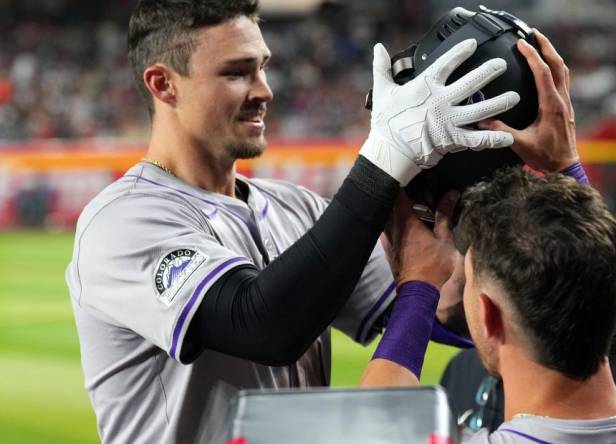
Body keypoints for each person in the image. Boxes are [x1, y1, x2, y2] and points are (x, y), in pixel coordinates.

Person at [65, 0, 521, 442]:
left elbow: (446, 311)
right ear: (163, 84)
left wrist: (522, 172)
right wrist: (387, 156)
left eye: (262, 66)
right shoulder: (122, 222)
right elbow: (264, 325)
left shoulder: (298, 209)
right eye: (236, 72)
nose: (264, 89)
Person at [361, 31, 616, 443]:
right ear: (606, 306)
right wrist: (567, 165)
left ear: (490, 316)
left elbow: (370, 427)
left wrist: (417, 286)